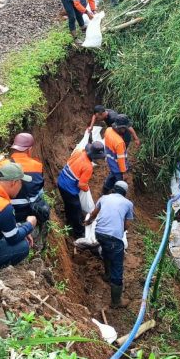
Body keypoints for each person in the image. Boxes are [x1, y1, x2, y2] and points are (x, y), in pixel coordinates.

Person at [0, 133, 49, 229]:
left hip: (3, 211)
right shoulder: (37, 166)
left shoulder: (1, 165)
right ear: (29, 150)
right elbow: (39, 187)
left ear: (14, 147)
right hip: (26, 213)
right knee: (40, 192)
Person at [84, 180, 133, 308]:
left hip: (99, 233)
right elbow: (127, 224)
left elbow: (94, 213)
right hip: (113, 237)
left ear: (113, 189)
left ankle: (107, 275)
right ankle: (116, 301)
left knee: (106, 250)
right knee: (118, 265)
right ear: (125, 193)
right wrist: (119, 231)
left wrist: (88, 222)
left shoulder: (104, 198)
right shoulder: (128, 203)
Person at [57, 141, 106, 237]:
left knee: (68, 205)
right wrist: (87, 189)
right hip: (69, 189)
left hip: (61, 181)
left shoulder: (80, 151)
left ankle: (68, 220)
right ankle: (78, 232)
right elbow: (81, 185)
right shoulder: (88, 167)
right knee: (76, 210)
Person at [102, 116, 130, 194]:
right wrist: (124, 173)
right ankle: (116, 195)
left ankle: (105, 190)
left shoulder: (108, 130)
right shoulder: (119, 142)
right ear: (120, 128)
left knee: (112, 175)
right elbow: (121, 160)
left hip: (110, 161)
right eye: (125, 128)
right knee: (119, 183)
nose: (125, 130)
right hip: (118, 166)